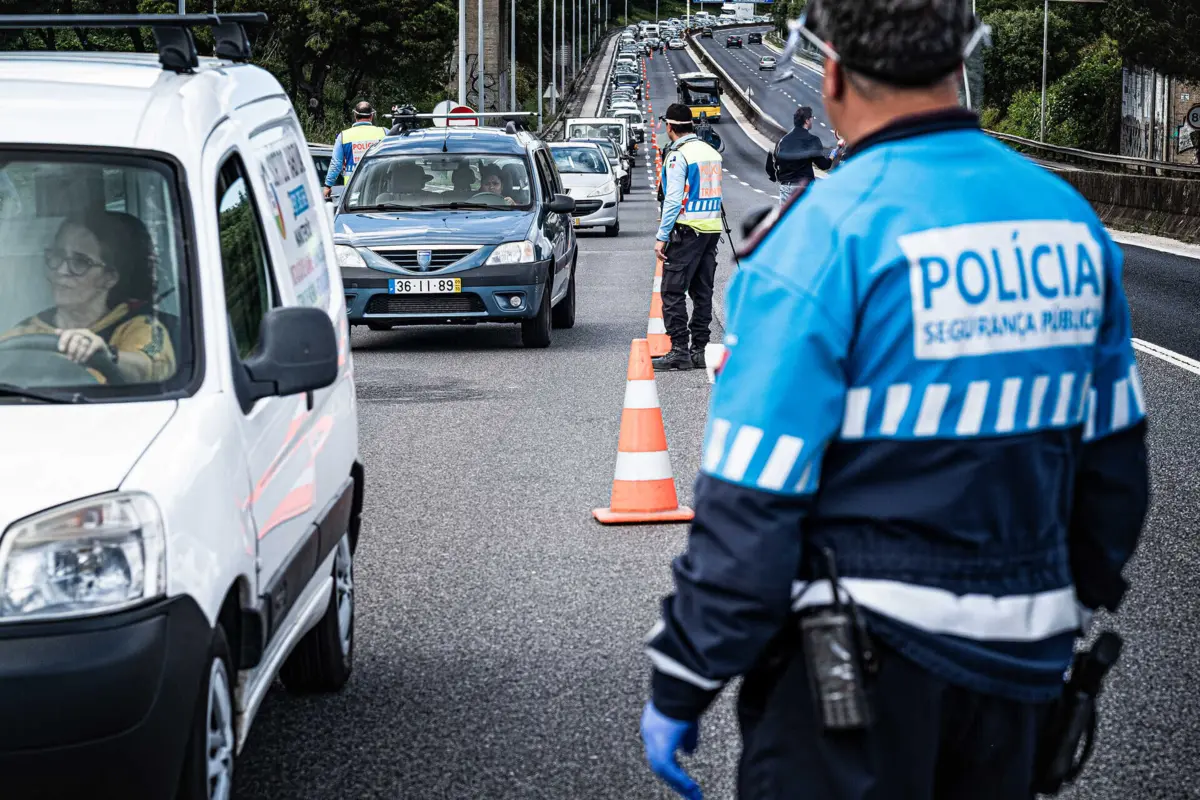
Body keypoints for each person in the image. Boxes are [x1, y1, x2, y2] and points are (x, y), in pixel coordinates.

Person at [639, 1, 1149, 798]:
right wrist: (1048, 605)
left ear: (833, 74)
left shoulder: (819, 238)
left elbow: (751, 498)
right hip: (1020, 675)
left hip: (855, 684)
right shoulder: (1071, 224)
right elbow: (1115, 471)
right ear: (959, 67)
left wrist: (685, 673)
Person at [1, 211, 175, 383]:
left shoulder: (142, 327)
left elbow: (151, 365)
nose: (61, 270)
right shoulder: (26, 331)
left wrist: (107, 356)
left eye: (80, 262)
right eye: (58, 255)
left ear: (109, 278)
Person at [652, 103, 724, 372]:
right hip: (711, 229)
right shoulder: (710, 152)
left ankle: (679, 350)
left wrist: (662, 236)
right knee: (702, 293)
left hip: (686, 230)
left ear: (670, 126)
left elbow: (673, 200)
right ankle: (699, 350)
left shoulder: (678, 155)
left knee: (672, 291)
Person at [766, 106, 832, 206]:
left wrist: (777, 177)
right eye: (812, 117)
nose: (812, 120)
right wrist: (834, 154)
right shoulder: (812, 140)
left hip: (785, 188)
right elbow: (824, 165)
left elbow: (772, 164)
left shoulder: (782, 141)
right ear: (807, 121)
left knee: (786, 216)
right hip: (803, 189)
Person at [323, 101, 387, 200]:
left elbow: (336, 164)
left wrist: (328, 185)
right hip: (379, 187)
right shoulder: (384, 133)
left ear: (355, 115)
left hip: (352, 188)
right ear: (371, 116)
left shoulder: (343, 136)